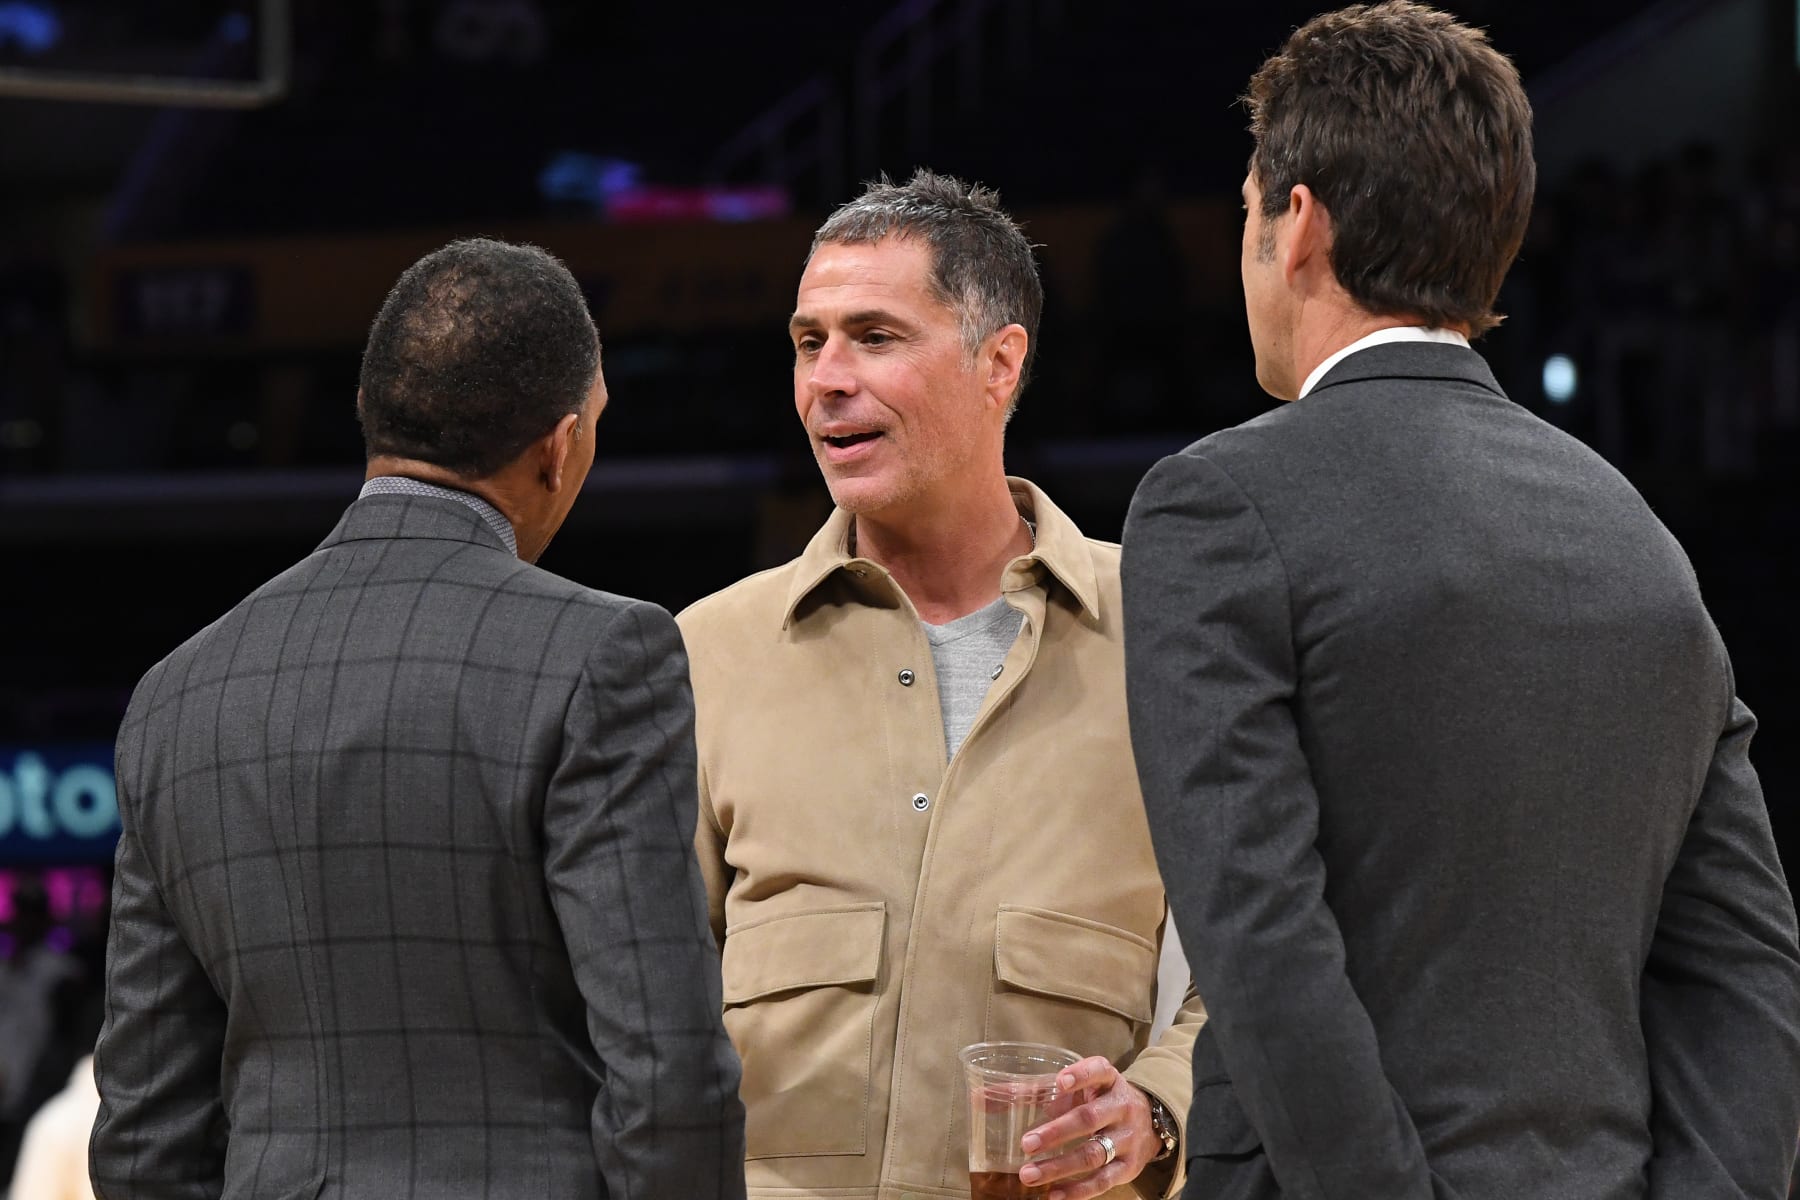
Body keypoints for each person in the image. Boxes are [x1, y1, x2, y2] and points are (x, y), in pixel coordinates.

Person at [1121, 5, 1800, 1199]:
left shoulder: (1216, 506)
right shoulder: (1637, 534)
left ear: (1300, 224)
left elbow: (1261, 941)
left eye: (1244, 211)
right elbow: (1743, 969)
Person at [89, 238, 746, 1200]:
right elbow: (670, 1076)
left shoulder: (176, 695)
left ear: (374, 416)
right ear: (559, 448)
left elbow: (144, 1138)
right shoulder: (601, 655)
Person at [676, 170, 1203, 1200]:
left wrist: (1156, 1112)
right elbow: (640, 1012)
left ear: (1000, 363)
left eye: (874, 337)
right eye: (808, 340)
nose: (827, 378)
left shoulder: (1168, 639)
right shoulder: (708, 653)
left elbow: (1249, 974)